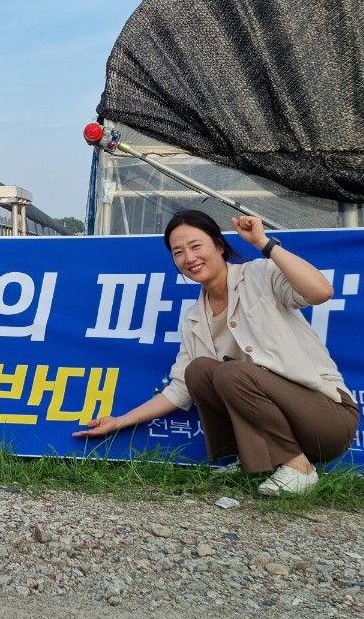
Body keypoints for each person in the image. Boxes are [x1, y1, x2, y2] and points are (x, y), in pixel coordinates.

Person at [74, 209, 360, 496]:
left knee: (231, 372)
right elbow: (180, 390)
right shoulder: (194, 319)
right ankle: (251, 458)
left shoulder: (259, 274)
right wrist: (118, 422)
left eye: (196, 246)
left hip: (326, 420)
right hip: (282, 427)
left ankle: (300, 468)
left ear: (219, 246)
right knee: (198, 370)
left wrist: (263, 243)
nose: (189, 258)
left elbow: (320, 292)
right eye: (178, 252)